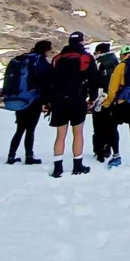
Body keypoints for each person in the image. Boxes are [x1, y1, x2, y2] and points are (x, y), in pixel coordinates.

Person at [48, 31, 97, 177]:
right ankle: (78, 165)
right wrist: (92, 98)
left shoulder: (58, 58)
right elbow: (94, 80)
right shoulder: (86, 58)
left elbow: (50, 80)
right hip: (78, 99)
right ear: (82, 42)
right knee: (78, 133)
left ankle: (58, 167)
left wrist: (48, 100)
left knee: (60, 135)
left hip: (58, 100)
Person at [6, 40, 53, 165]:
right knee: (30, 130)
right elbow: (46, 83)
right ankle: (29, 156)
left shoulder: (24, 59)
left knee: (20, 129)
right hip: (34, 99)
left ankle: (11, 156)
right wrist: (46, 101)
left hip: (20, 97)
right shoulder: (41, 62)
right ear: (46, 50)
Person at [90, 42, 120, 163]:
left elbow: (92, 81)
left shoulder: (97, 63)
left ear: (98, 52)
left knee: (98, 126)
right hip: (113, 98)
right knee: (111, 125)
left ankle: (99, 151)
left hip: (99, 98)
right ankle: (108, 148)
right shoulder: (116, 63)